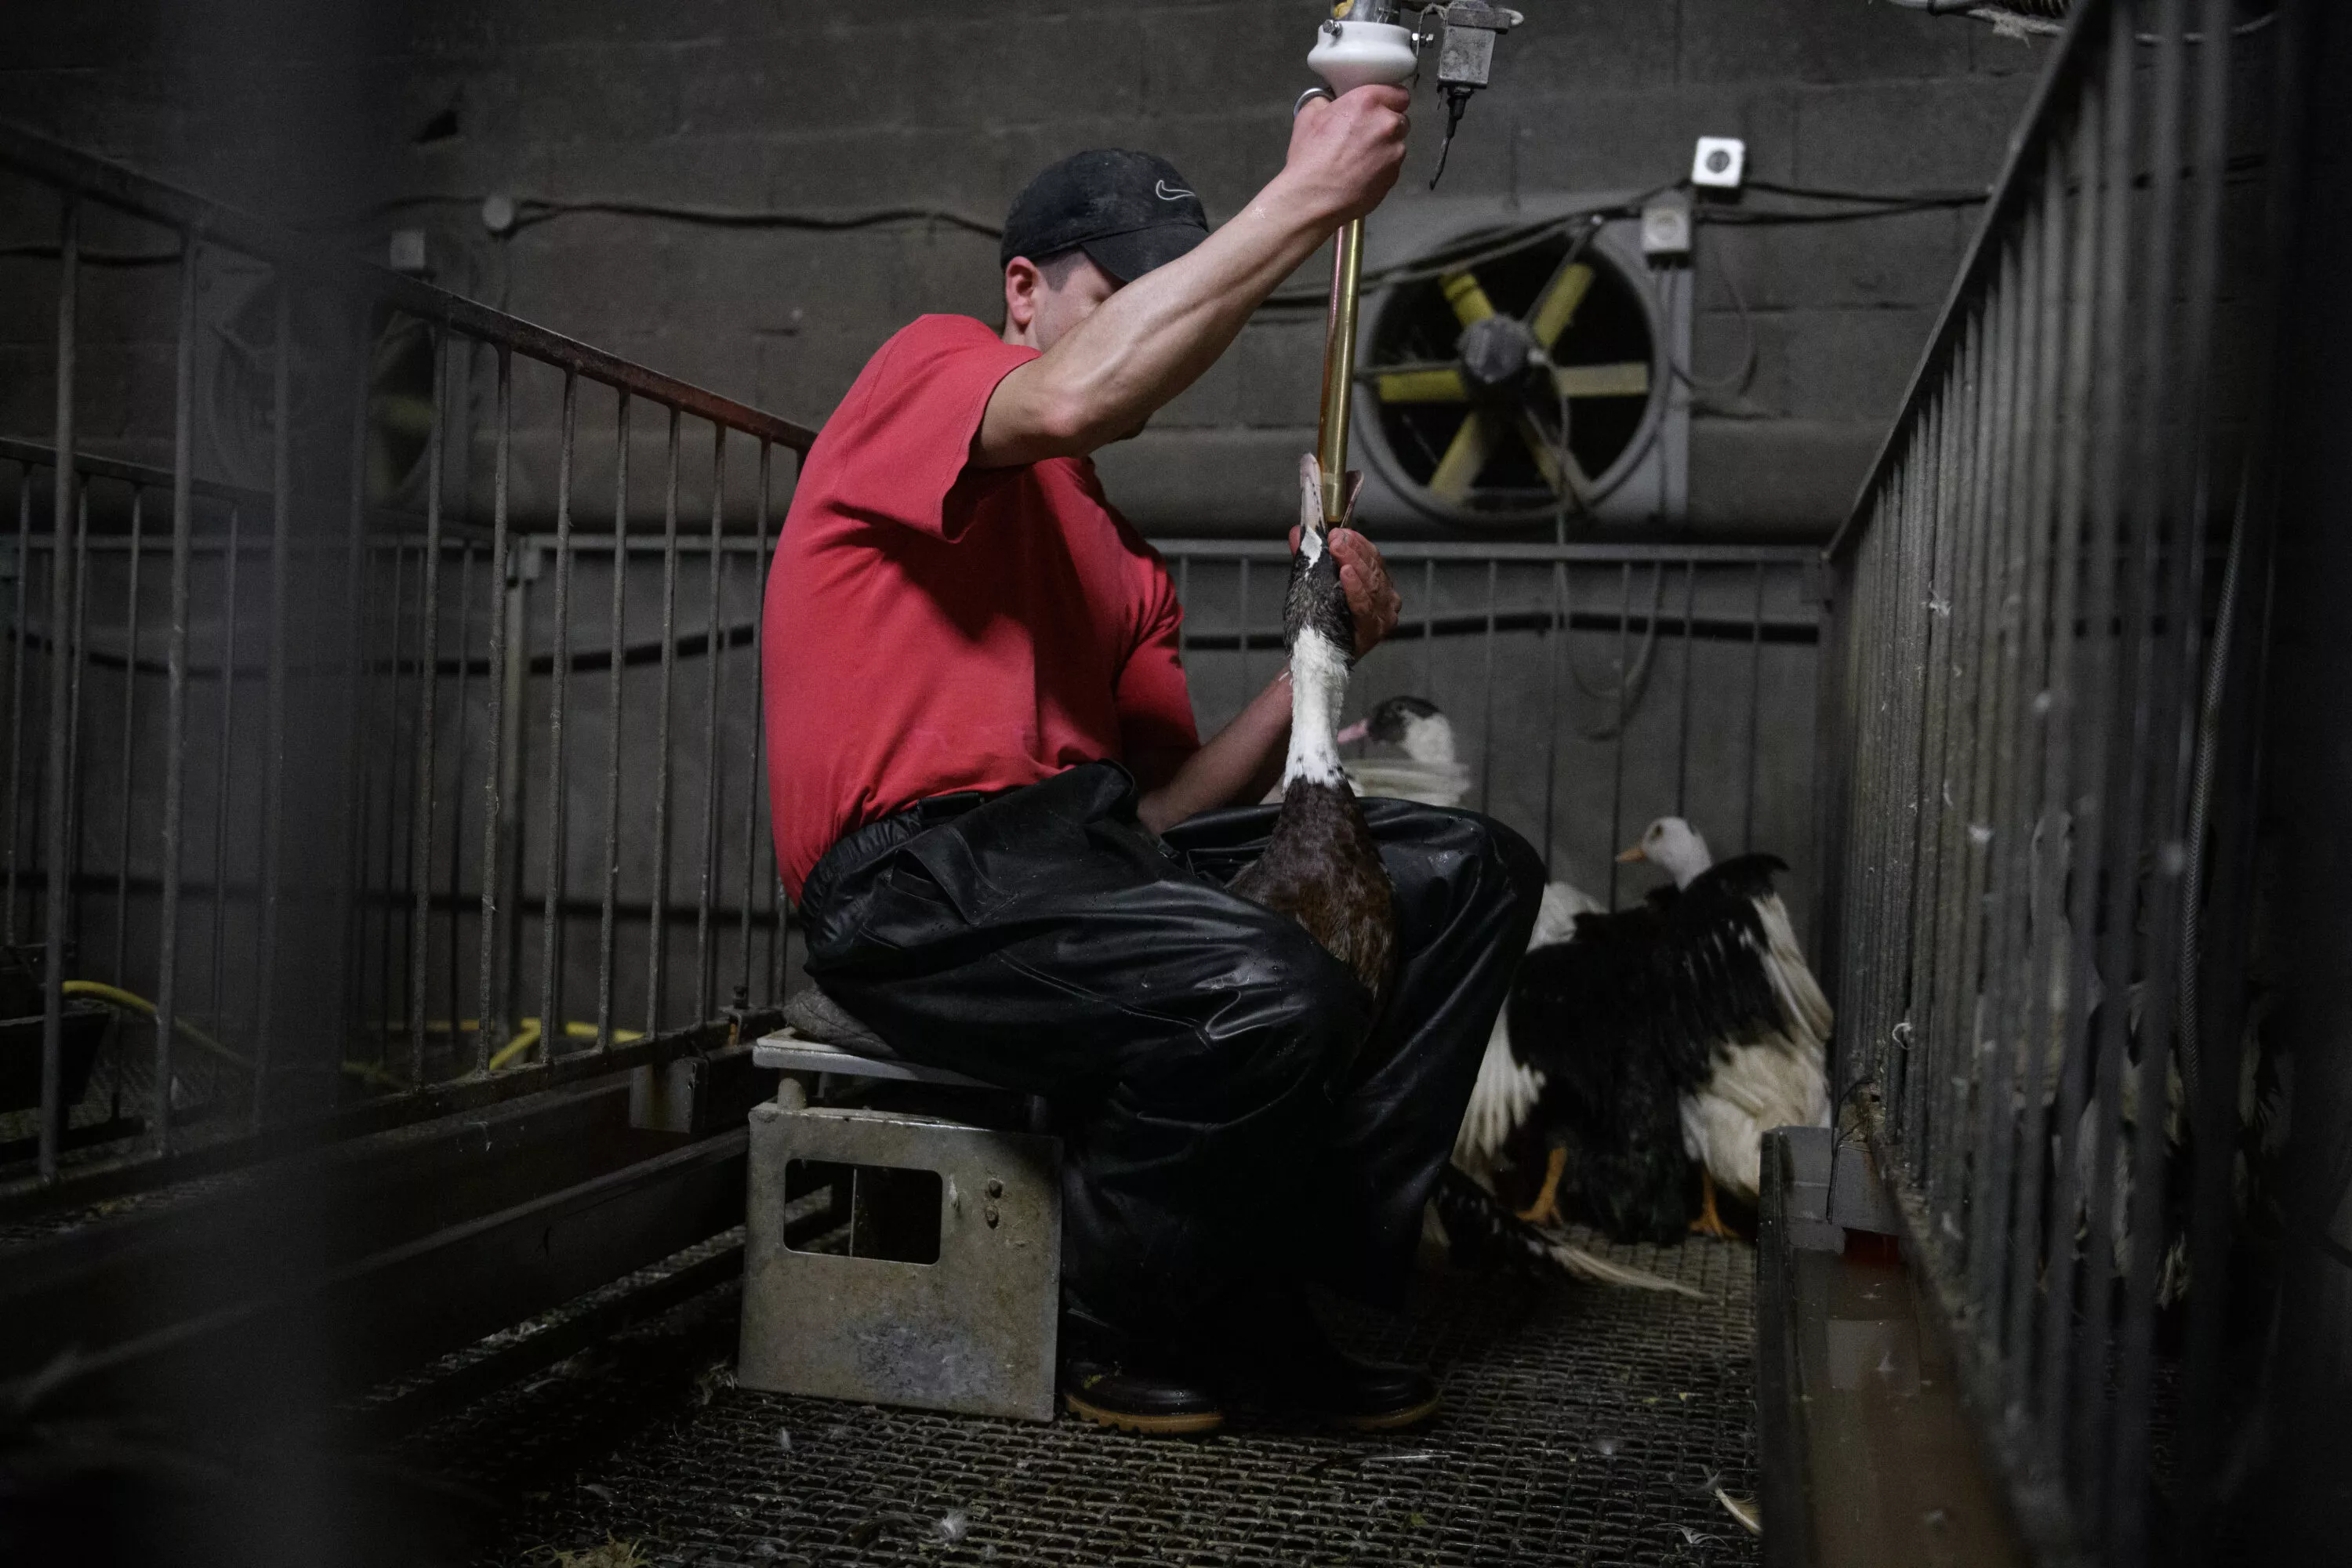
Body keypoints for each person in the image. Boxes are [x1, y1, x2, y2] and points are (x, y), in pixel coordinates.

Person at [761, 86, 1541, 1436]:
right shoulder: (930, 372)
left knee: (1468, 874)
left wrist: (1320, 644)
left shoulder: (1123, 565)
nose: (1149, 324)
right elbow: (1077, 389)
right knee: (1265, 984)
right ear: (1023, 289)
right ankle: (1122, 1315)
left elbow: (1170, 806)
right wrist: (1307, 198)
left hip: (1093, 860)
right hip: (917, 884)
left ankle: (1290, 1272)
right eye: (1124, 293)